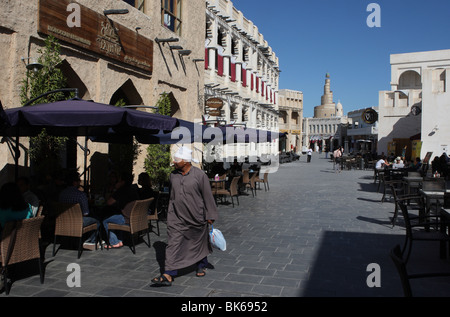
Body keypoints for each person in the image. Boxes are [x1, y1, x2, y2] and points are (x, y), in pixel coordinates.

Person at [151, 146, 218, 287]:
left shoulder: (200, 175)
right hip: (176, 217)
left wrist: (210, 215)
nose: (174, 163)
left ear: (186, 162)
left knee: (198, 242)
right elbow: (172, 196)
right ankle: (168, 273)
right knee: (173, 243)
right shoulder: (173, 175)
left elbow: (207, 196)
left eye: (177, 160)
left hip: (196, 216)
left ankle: (201, 264)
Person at [59, 171, 101, 250]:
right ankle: (91, 241)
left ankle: (71, 240)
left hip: (63, 222)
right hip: (78, 222)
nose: (79, 182)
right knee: (97, 220)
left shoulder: (62, 194)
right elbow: (86, 213)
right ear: (74, 182)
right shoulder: (81, 195)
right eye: (78, 181)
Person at [102, 171, 139, 248]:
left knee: (105, 220)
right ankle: (120, 241)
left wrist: (115, 188)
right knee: (115, 216)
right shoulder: (133, 189)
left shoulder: (121, 190)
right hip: (133, 217)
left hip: (126, 219)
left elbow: (109, 202)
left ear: (122, 181)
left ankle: (114, 242)